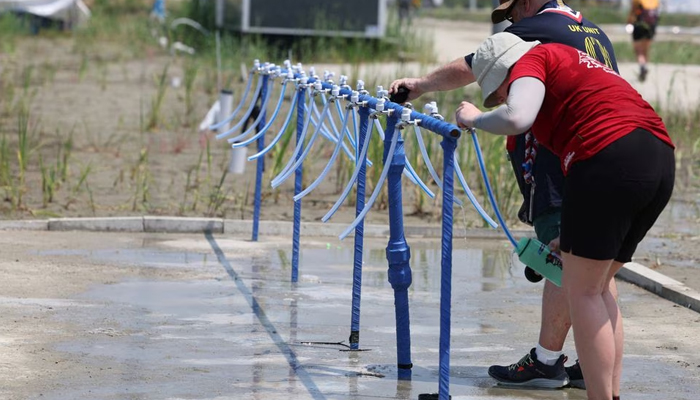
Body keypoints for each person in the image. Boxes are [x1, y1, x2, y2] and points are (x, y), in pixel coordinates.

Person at [390, 0, 619, 389]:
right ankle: (594, 364)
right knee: (597, 267)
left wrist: (421, 85)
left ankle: (547, 361)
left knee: (569, 258)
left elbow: (474, 62)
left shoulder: (541, 27)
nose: (510, 23)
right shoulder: (596, 34)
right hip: (612, 152)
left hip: (564, 155)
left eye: (512, 13)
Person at [455, 31, 675, 400]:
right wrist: (571, 232)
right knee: (599, 287)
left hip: (608, 155)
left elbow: (517, 117)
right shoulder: (571, 62)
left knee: (583, 293)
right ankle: (611, 394)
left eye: (501, 90)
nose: (504, 97)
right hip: (656, 156)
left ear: (508, 72)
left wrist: (475, 118)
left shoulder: (532, 61)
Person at [627, 0, 659, 82]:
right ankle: (645, 65)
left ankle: (642, 67)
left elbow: (633, 11)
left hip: (639, 26)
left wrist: (629, 21)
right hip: (651, 27)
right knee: (645, 50)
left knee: (639, 51)